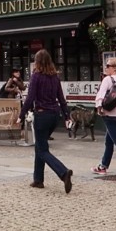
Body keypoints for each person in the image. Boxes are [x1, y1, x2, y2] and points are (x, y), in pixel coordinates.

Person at [18, 49, 73, 193]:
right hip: (55, 115)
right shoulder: (55, 77)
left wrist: (21, 114)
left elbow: (30, 98)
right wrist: (67, 116)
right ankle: (38, 180)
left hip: (42, 115)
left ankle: (63, 172)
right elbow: (61, 98)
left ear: (37, 62)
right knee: (40, 145)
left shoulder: (36, 76)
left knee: (42, 150)